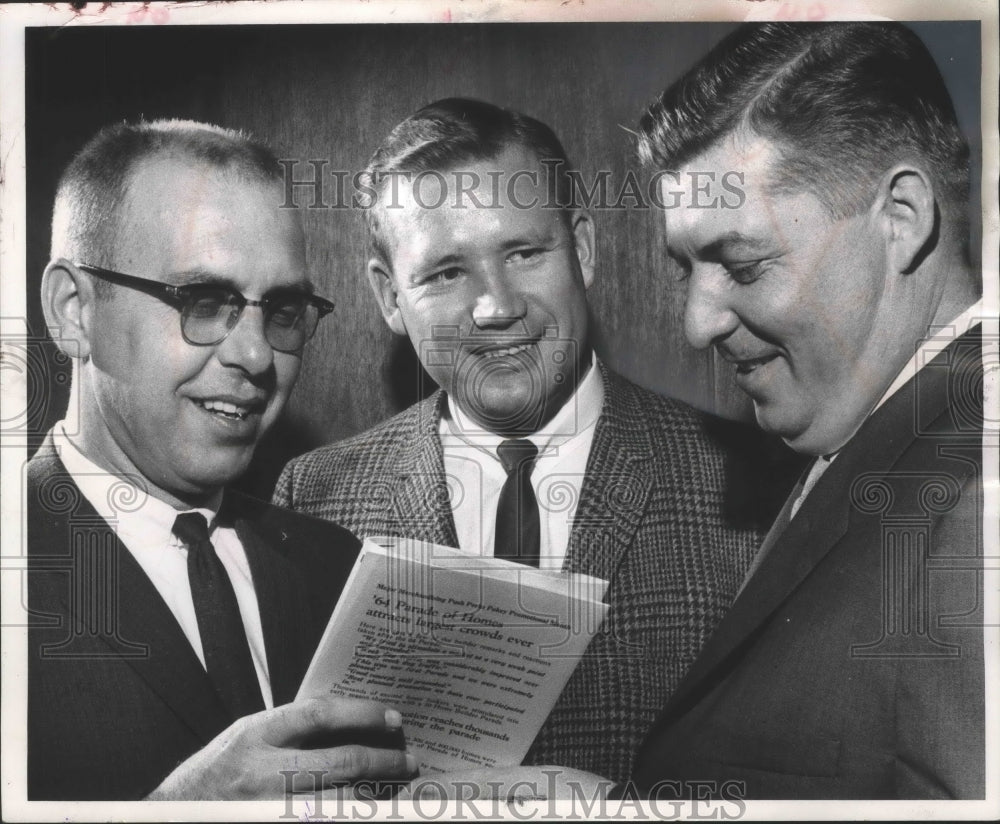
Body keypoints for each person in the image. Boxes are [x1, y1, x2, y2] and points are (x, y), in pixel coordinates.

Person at [412, 21, 986, 801]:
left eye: (742, 266)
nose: (697, 324)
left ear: (903, 216)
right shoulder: (878, 442)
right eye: (687, 270)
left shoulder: (977, 498)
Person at [274, 98, 773, 782]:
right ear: (389, 297)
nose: (497, 307)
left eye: (524, 253)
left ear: (583, 250)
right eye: (447, 273)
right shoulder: (313, 498)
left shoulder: (753, 485)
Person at [27, 119, 416, 800]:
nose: (257, 355)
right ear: (73, 311)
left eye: (283, 310)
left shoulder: (338, 569)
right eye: (203, 302)